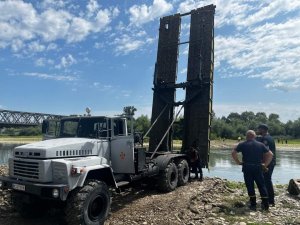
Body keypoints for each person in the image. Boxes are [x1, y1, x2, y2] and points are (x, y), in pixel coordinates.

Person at [232, 130, 273, 211]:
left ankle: (253, 204)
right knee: (261, 185)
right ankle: (266, 205)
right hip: (258, 167)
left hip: (247, 167)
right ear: (254, 136)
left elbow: (233, 153)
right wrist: (265, 164)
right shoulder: (260, 144)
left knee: (250, 185)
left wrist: (238, 162)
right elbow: (270, 154)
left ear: (246, 136)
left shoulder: (242, 144)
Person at [256, 124, 276, 206]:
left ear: (263, 130)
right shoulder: (270, 137)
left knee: (267, 181)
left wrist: (264, 164)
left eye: (259, 129)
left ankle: (270, 200)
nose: (258, 131)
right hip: (270, 162)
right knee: (266, 180)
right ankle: (268, 199)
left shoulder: (265, 139)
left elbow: (266, 152)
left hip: (267, 163)